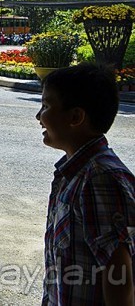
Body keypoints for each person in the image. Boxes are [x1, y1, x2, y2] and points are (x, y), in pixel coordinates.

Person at [38, 63, 135, 304]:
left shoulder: (99, 179)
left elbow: (119, 277)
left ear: (75, 117)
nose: (39, 117)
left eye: (47, 106)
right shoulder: (74, 173)